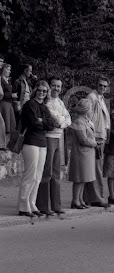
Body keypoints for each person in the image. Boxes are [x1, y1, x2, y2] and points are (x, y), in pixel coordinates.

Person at [17, 80, 56, 217]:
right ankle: (23, 205)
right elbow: (33, 123)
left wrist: (42, 121)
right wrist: (42, 122)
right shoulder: (29, 105)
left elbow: (52, 125)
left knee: (38, 176)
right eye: (39, 90)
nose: (41, 93)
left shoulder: (44, 107)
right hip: (30, 142)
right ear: (35, 90)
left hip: (42, 143)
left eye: (44, 91)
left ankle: (32, 203)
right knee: (30, 174)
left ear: (47, 93)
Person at [36, 77, 71, 215]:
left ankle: (56, 205)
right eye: (54, 86)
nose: (56, 88)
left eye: (59, 86)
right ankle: (43, 206)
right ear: (50, 86)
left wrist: (61, 123)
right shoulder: (47, 103)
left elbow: (68, 119)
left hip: (58, 138)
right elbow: (55, 119)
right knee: (47, 172)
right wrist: (62, 122)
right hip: (49, 138)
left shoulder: (60, 102)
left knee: (56, 173)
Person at [68, 98, 105, 209]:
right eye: (90, 108)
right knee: (79, 178)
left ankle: (80, 200)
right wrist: (95, 143)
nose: (91, 110)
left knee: (84, 178)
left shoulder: (86, 120)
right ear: (86, 109)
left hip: (87, 154)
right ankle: (75, 200)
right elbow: (83, 139)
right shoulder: (79, 121)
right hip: (81, 153)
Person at [83, 77, 111, 207]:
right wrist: (92, 135)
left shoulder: (101, 98)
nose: (102, 88)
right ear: (96, 85)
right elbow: (88, 117)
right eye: (100, 85)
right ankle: (97, 197)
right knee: (96, 169)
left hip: (101, 136)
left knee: (95, 168)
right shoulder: (92, 97)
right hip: (96, 136)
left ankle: (90, 197)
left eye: (105, 86)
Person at [1, 60, 17, 139]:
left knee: (11, 124)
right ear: (3, 70)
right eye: (8, 70)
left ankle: (7, 143)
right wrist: (11, 95)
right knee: (6, 124)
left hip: (10, 104)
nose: (9, 72)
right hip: (4, 104)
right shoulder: (1, 80)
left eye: (10, 70)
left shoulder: (8, 80)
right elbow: (2, 93)